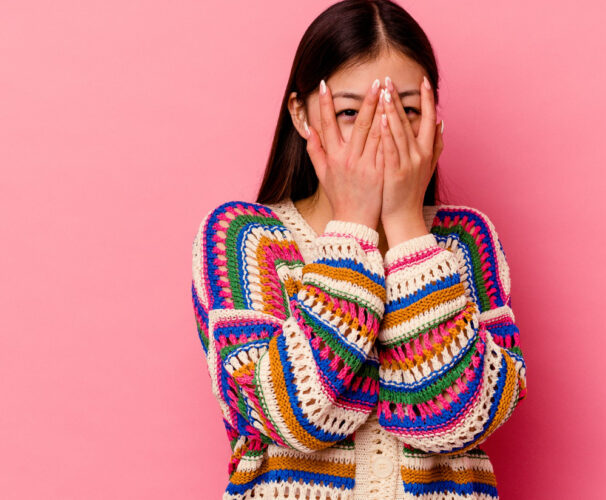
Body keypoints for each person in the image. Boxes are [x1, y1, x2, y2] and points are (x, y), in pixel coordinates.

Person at [190, 1, 527, 498]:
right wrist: (353, 226)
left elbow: (456, 419)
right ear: (301, 113)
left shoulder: (465, 240)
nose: (381, 133)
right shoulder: (244, 239)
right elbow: (299, 418)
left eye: (406, 111)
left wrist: (406, 225)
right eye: (351, 112)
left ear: (434, 119)